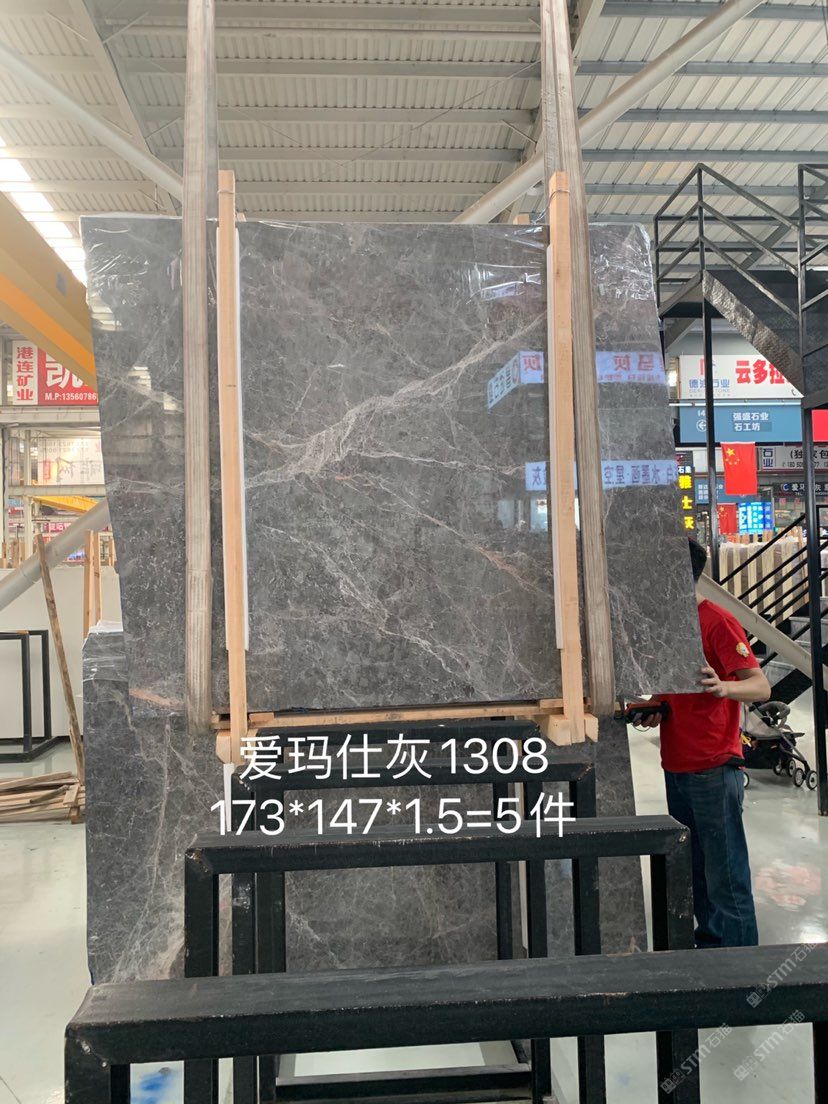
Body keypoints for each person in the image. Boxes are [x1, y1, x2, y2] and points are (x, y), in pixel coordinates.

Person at [642, 538, 770, 948]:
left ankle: (739, 965)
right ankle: (712, 946)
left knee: (725, 874)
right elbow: (675, 690)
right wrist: (655, 707)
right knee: (694, 869)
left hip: (713, 767)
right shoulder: (671, 627)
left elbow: (760, 686)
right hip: (676, 765)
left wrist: (725, 688)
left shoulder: (716, 621)